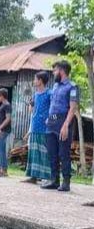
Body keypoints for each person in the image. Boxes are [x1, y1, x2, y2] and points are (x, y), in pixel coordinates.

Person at [42, 60, 79, 192]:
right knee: (52, 153)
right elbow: (53, 105)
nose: (53, 73)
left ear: (62, 70)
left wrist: (65, 125)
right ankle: (54, 180)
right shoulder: (55, 86)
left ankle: (66, 182)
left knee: (63, 153)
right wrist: (48, 118)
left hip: (63, 122)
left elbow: (72, 108)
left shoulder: (72, 87)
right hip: (51, 122)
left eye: (55, 70)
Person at [23, 71, 52, 184]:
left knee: (44, 152)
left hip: (45, 127)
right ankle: (33, 176)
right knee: (33, 152)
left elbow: (53, 109)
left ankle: (47, 177)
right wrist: (31, 104)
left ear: (40, 81)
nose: (34, 81)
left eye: (35, 79)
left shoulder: (50, 93)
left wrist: (50, 118)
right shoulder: (35, 94)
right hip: (35, 125)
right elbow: (31, 111)